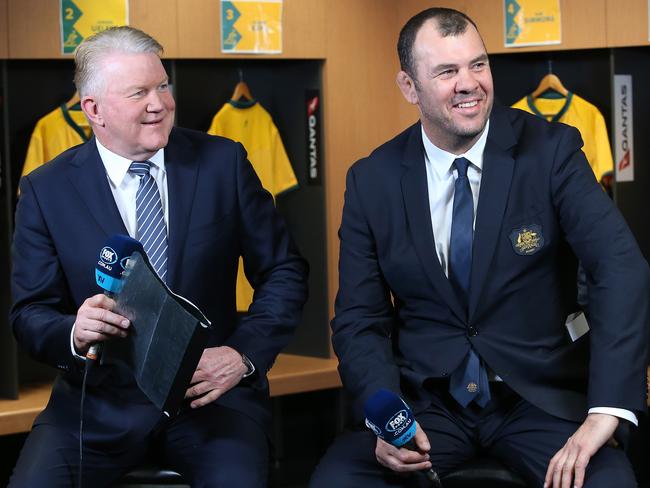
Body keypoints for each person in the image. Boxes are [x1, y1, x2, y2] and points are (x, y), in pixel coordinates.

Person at [310, 7, 648, 488]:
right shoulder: (372, 181)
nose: (469, 83)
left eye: (478, 64)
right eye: (447, 71)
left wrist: (605, 411)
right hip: (427, 406)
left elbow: (621, 269)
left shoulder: (551, 152)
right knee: (337, 482)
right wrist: (384, 417)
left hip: (541, 400)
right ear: (409, 87)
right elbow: (359, 320)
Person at [10, 26, 308, 487]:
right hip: (97, 406)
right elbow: (29, 313)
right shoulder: (44, 190)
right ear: (93, 109)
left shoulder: (223, 163)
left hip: (211, 397)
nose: (160, 103)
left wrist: (242, 355)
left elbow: (285, 271)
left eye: (162, 85)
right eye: (139, 93)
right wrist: (72, 331)